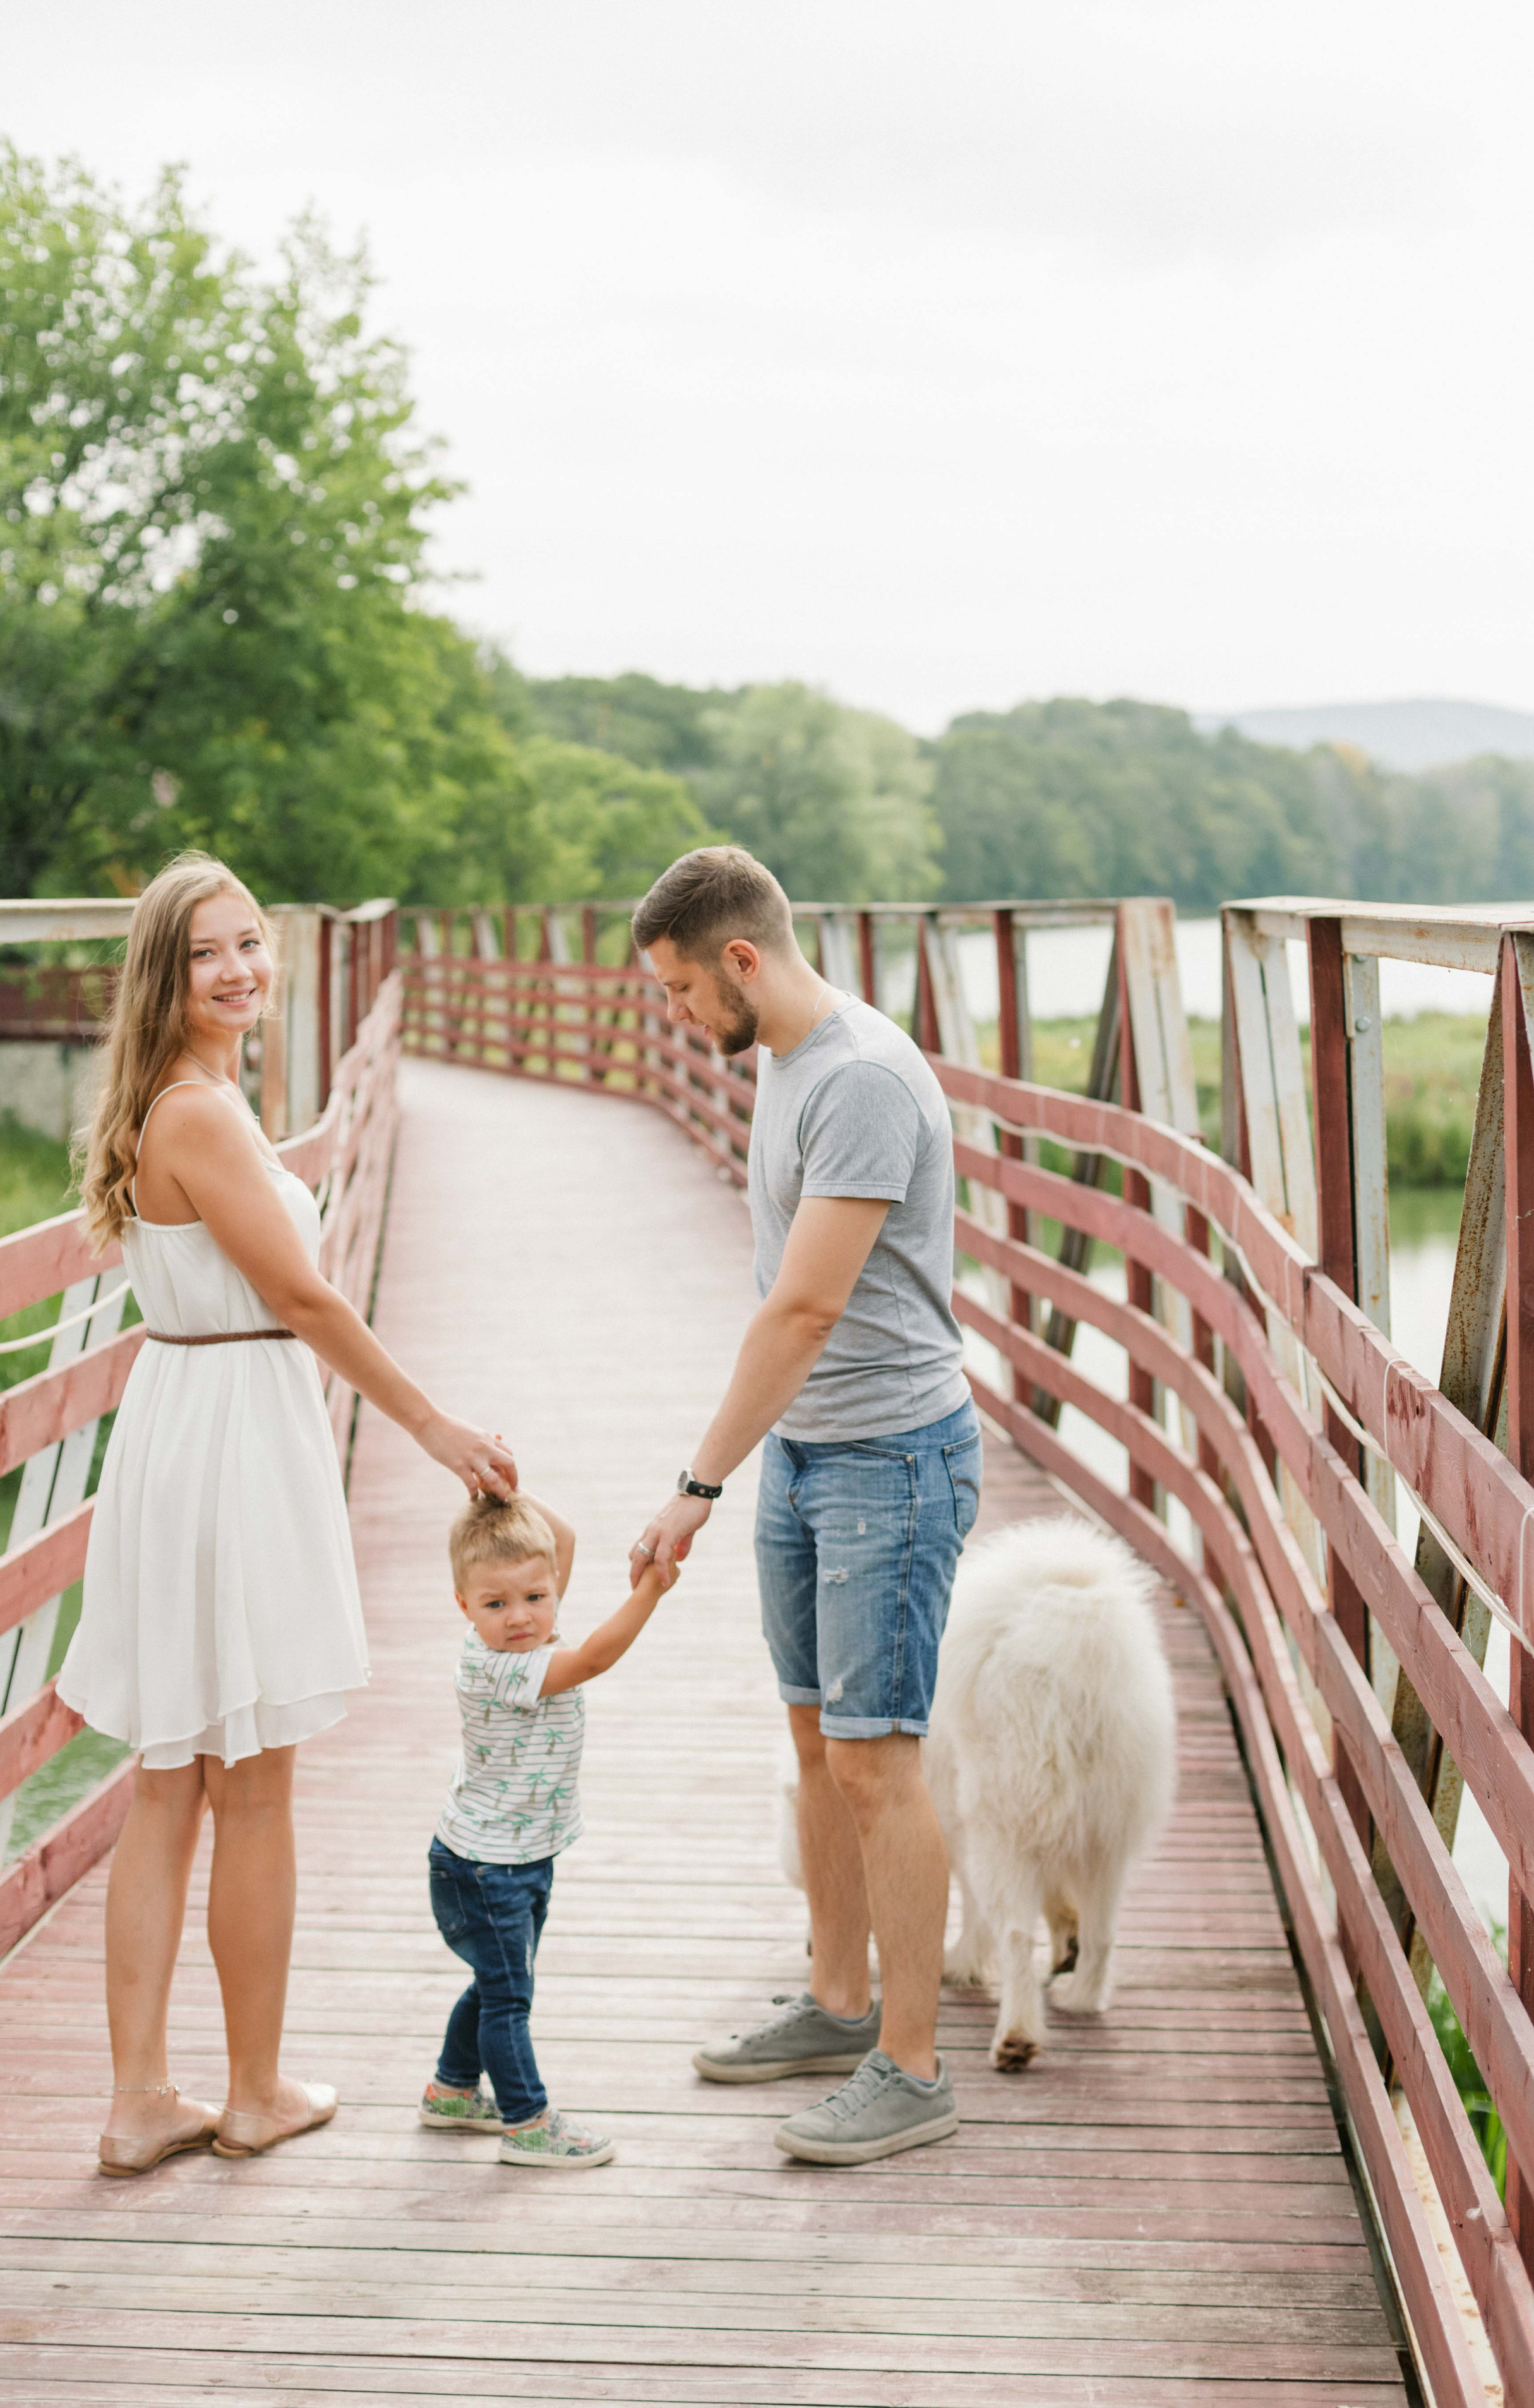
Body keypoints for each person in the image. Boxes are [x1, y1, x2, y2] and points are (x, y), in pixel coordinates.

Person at [58, 852, 517, 2178]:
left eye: (251, 942)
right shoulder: (199, 1114)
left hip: (188, 1421)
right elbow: (306, 1300)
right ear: (164, 976)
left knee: (170, 1781)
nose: (240, 968)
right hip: (232, 1435)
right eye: (208, 951)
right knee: (247, 1786)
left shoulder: (182, 1099)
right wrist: (433, 1428)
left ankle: (142, 2100)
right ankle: (251, 2091)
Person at [628, 847, 982, 2166]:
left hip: (891, 1458)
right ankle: (839, 2005)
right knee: (818, 1739)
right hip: (808, 1450)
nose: (674, 1016)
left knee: (878, 1757)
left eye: (679, 991)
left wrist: (694, 1487)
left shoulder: (862, 1080)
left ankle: (912, 2066)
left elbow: (806, 1308)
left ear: (741, 959)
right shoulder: (780, 1056)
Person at [420, 1489, 676, 2166]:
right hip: (488, 1868)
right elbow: (591, 1660)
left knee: (495, 1982)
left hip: (514, 1855)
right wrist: (649, 1591)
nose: (520, 1617)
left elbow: (563, 1541)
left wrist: (508, 1492)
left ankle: (451, 2090)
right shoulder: (501, 1666)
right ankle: (527, 2121)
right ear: (464, 1606)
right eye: (495, 1604)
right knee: (509, 1996)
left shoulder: (524, 1628)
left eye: (536, 1597)